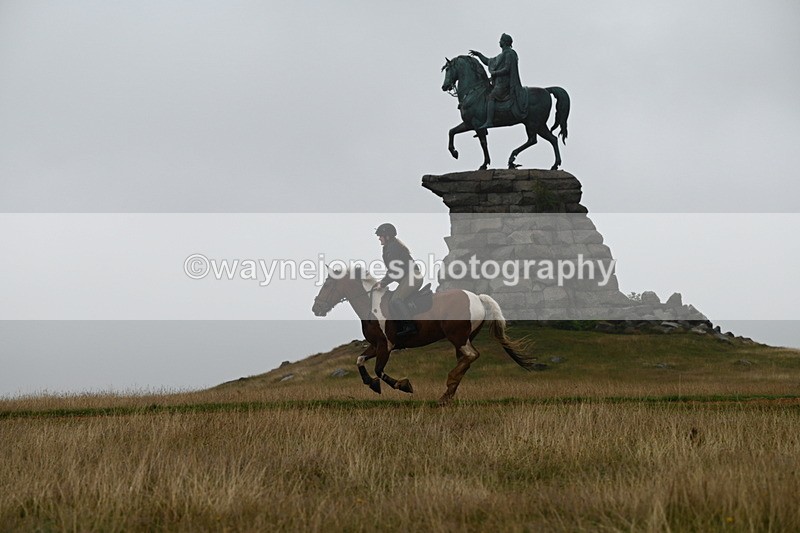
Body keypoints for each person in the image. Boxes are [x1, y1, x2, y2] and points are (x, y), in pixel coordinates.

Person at [469, 33, 528, 129]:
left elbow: (507, 68)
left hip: (505, 84)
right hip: (499, 83)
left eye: (501, 40)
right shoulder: (501, 55)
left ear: (504, 42)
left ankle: (489, 121)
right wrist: (479, 55)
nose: (499, 42)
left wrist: (495, 73)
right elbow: (488, 62)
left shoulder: (509, 53)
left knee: (491, 96)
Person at [374, 223, 420, 337]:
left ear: (387, 236)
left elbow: (395, 270)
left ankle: (410, 327)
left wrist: (383, 283)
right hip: (408, 278)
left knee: (395, 300)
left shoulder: (393, 248)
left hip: (412, 277)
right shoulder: (390, 247)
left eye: (381, 236)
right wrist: (382, 282)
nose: (379, 238)